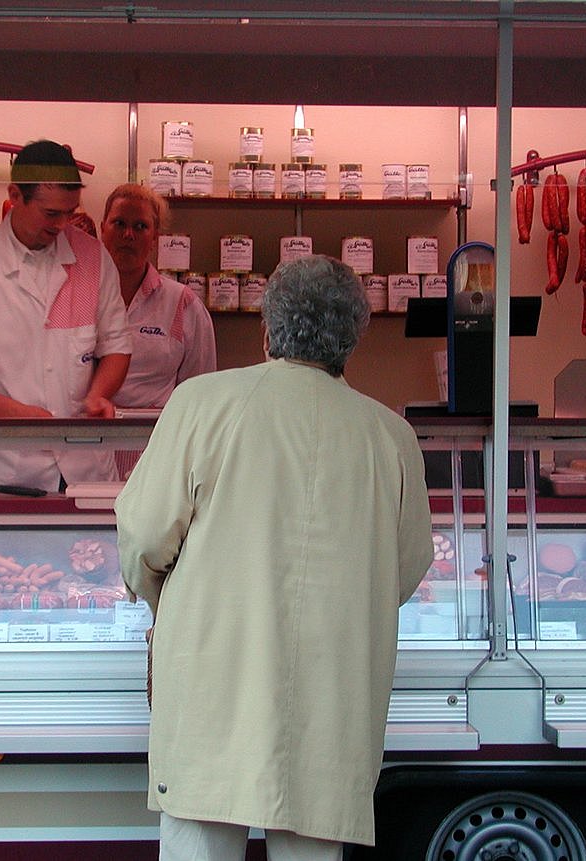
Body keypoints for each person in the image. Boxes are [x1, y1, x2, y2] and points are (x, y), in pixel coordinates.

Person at [115, 254, 433, 860]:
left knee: (201, 835)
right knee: (312, 840)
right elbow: (406, 565)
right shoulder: (390, 435)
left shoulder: (201, 403)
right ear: (355, 338)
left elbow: (145, 536)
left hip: (212, 667)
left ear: (268, 329)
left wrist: (164, 602)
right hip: (334, 677)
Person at [0, 139, 131, 492]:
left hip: (85, 468)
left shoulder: (93, 258)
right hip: (3, 471)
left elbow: (117, 347)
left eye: (71, 212)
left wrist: (99, 394)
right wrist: (20, 415)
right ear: (15, 196)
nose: (62, 225)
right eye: (51, 213)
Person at [100, 183, 216, 408]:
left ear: (155, 238)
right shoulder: (77, 297)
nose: (128, 234)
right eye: (119, 223)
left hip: (156, 438)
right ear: (102, 228)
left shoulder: (183, 304)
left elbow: (199, 393)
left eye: (140, 226)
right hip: (84, 439)